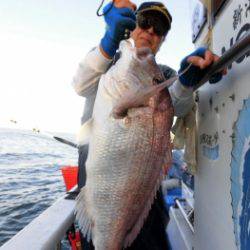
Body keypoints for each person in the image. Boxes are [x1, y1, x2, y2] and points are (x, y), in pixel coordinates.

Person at [72, 1, 226, 249]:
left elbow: (174, 103)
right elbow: (80, 84)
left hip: (143, 195)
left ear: (163, 40)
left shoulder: (163, 75)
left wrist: (186, 82)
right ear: (132, 26)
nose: (151, 32)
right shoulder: (107, 60)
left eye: (160, 29)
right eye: (145, 22)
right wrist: (108, 42)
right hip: (99, 191)